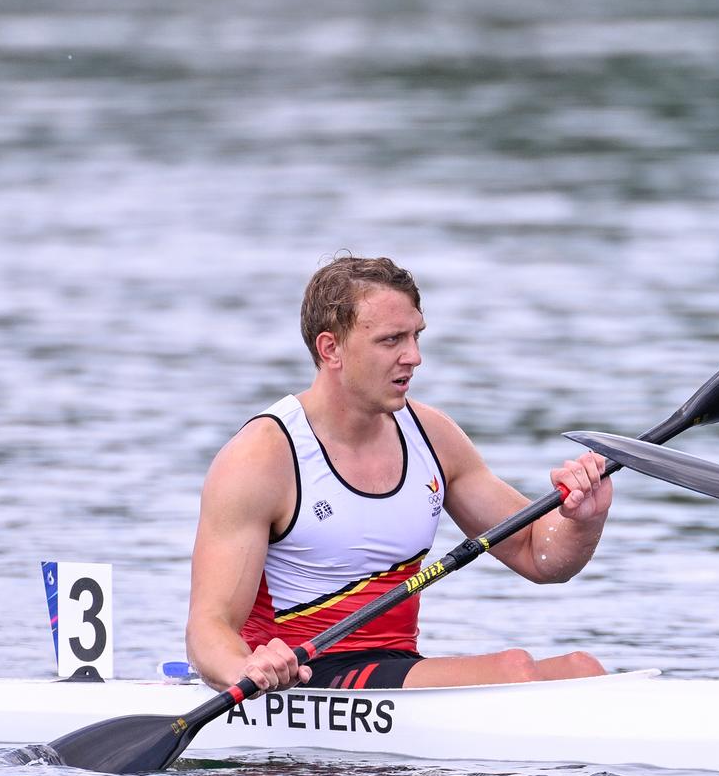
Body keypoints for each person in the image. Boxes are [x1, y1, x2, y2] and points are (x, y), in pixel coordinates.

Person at [185, 255, 611, 693]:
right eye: (392, 340)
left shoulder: (433, 436)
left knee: (583, 667)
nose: (415, 357)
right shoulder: (262, 457)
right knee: (516, 670)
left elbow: (537, 555)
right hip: (303, 677)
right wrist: (244, 670)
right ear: (330, 349)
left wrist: (584, 520)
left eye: (416, 336)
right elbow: (208, 627)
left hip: (394, 668)